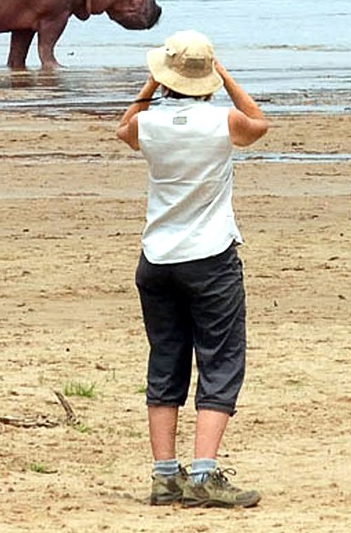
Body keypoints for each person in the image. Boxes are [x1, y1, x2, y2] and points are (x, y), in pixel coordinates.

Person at [114, 30, 271, 508]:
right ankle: (203, 471)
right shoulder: (222, 121)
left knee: (165, 360)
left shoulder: (150, 125)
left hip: (157, 256)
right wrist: (224, 75)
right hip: (209, 255)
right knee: (220, 361)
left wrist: (149, 87)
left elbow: (124, 127)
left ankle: (165, 473)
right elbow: (259, 123)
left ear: (165, 77)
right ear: (207, 78)